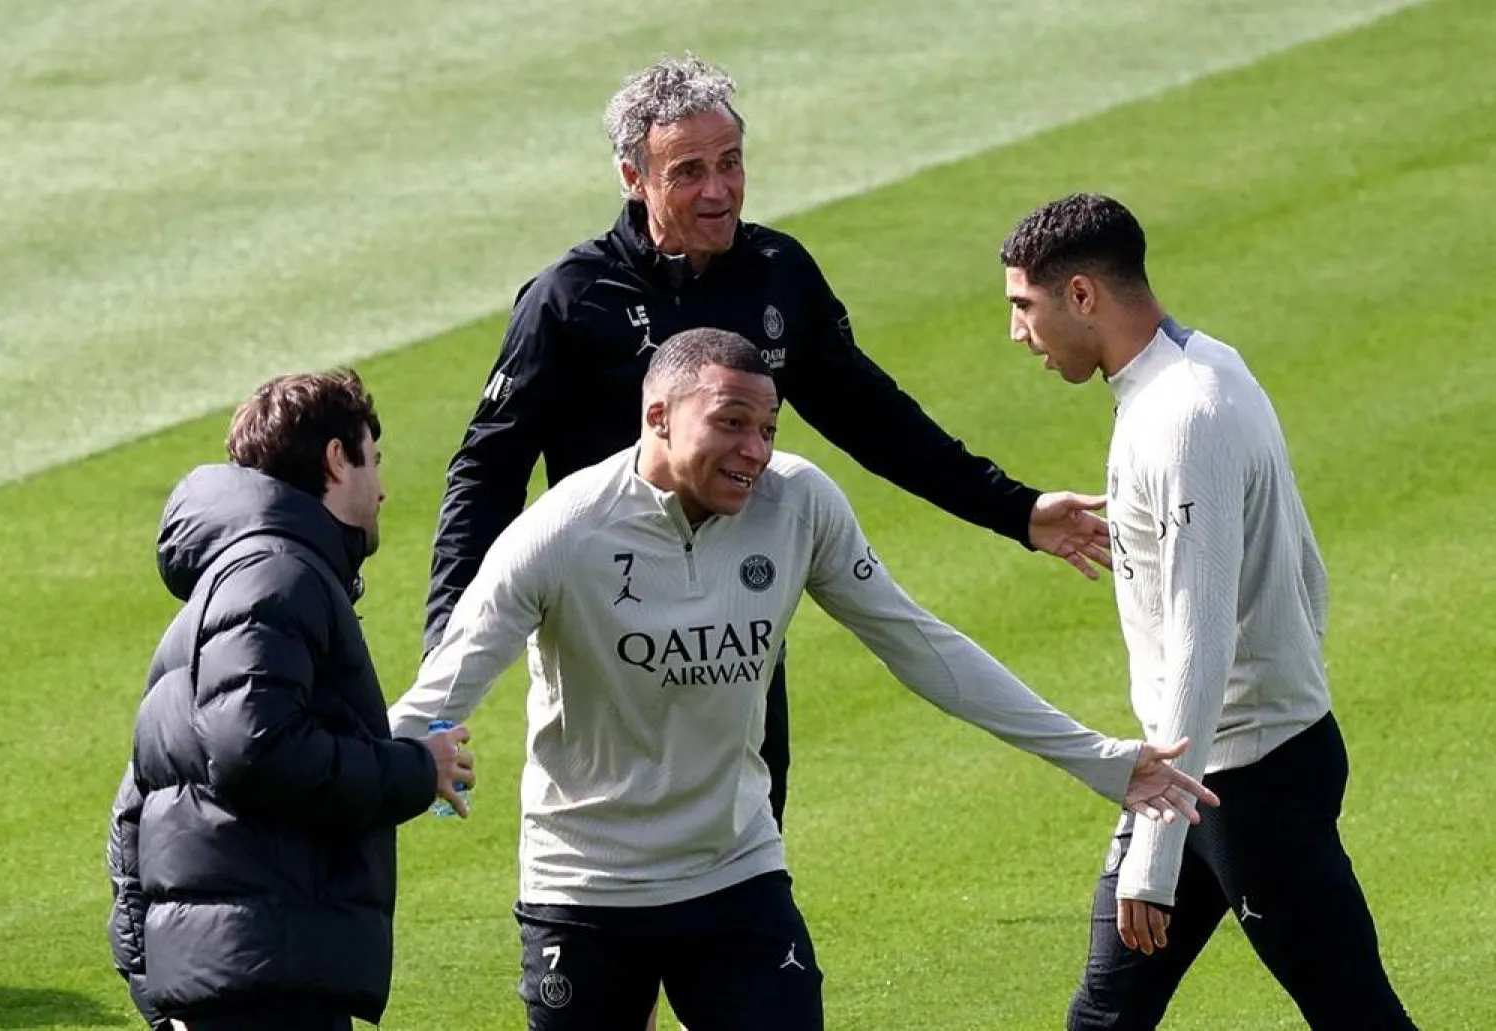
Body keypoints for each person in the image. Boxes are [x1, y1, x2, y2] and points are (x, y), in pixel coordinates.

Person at [388, 327, 1219, 1031]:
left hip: (733, 875)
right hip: (585, 887)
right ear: (656, 416)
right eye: (731, 423)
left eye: (769, 428)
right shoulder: (562, 533)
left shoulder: (798, 504)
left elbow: (922, 645)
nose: (755, 451)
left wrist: (1102, 759)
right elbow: (439, 693)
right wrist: (362, 778)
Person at [423, 53, 1113, 839]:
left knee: (746, 828)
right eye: (688, 171)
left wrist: (1015, 510)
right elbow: (489, 469)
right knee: (606, 832)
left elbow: (872, 415)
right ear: (631, 176)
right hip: (605, 628)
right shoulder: (570, 300)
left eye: (730, 164)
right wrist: (447, 661)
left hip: (736, 620)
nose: (717, 190)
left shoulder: (778, 274)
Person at [999, 194, 1417, 1030]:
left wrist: (1153, 850)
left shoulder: (1183, 415)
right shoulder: (1205, 367)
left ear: (1082, 295)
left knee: (1355, 1013)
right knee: (1107, 1014)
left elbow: (1200, 636)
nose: (1018, 333)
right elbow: (1304, 564)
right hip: (1214, 768)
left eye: (1024, 306)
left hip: (1242, 782)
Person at [106, 370, 477, 1031]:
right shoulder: (275, 573)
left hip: (241, 973)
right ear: (337, 458)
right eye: (376, 459)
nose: (386, 488)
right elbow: (256, 746)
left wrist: (162, 983)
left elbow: (134, 803)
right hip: (265, 982)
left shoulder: (238, 575)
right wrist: (415, 769)